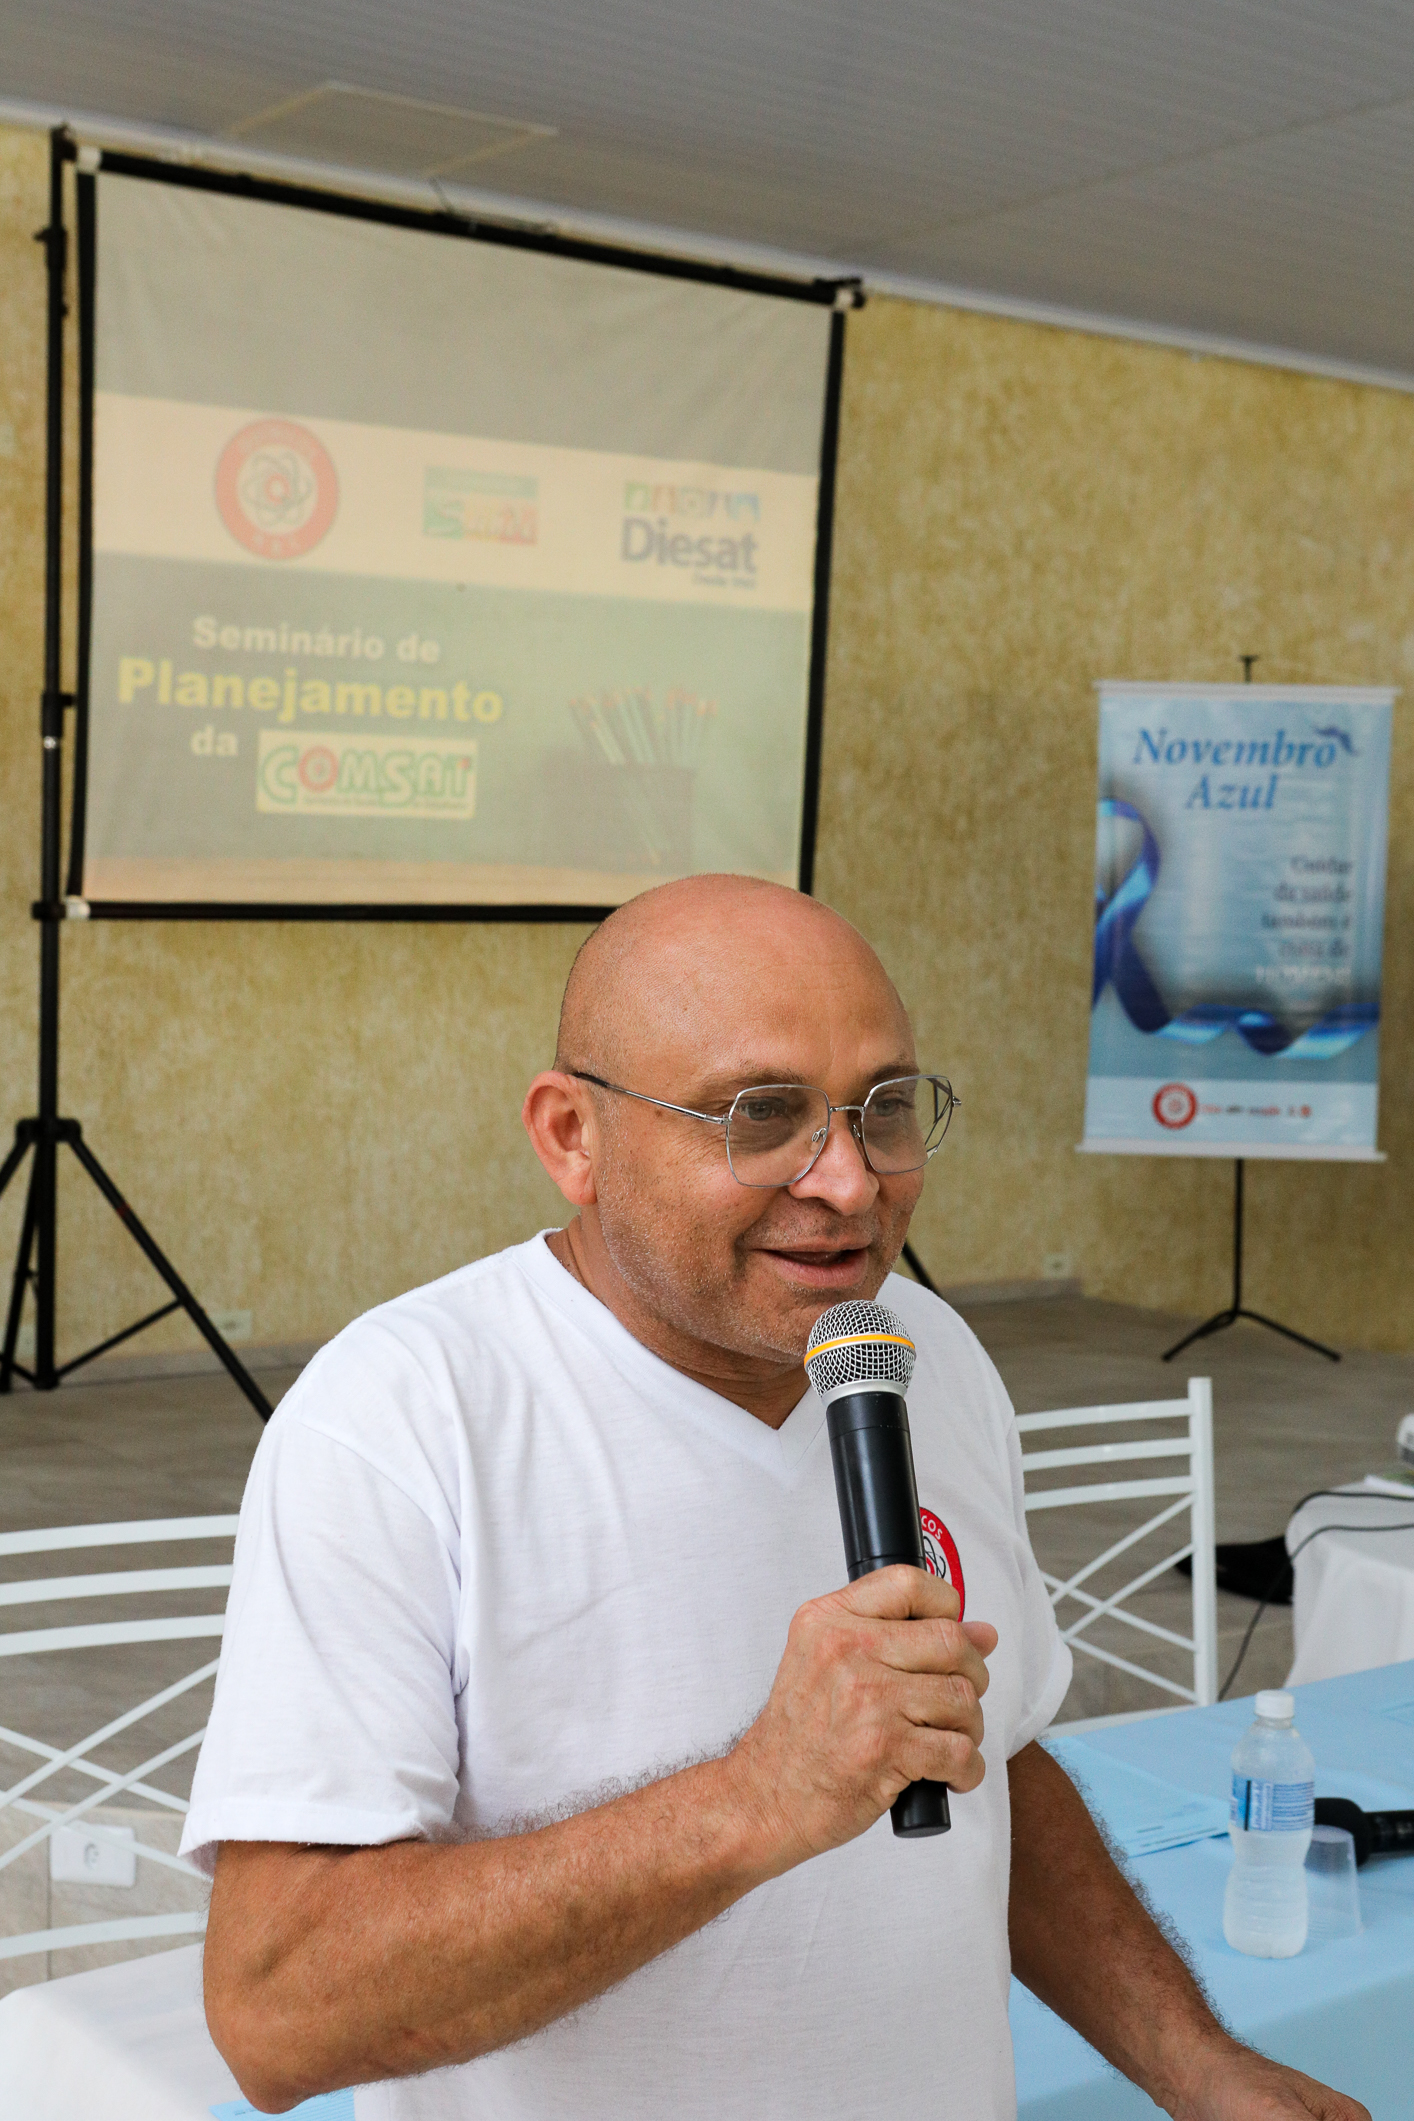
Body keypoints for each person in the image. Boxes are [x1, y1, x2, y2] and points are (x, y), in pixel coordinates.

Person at [190, 875, 1367, 2121]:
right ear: (569, 1139)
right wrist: (757, 1797)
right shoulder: (403, 1419)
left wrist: (1198, 2064)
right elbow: (278, 2014)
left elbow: (992, 1768)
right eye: (762, 1115)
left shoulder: (925, 1350)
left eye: (884, 1109)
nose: (850, 1184)